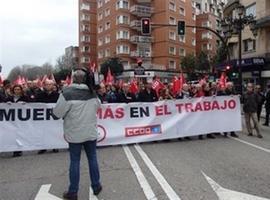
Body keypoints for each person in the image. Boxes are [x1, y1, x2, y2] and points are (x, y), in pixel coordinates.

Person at [53, 69, 102, 200]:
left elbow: (57, 113)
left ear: (73, 79)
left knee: (75, 161)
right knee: (92, 158)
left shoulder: (67, 93)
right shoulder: (92, 92)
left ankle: (73, 192)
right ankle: (96, 185)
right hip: (90, 132)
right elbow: (99, 106)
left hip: (74, 133)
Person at [6, 85, 30, 157]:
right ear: (13, 90)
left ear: (21, 90)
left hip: (21, 120)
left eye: (18, 89)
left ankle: (18, 149)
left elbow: (32, 104)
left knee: (19, 134)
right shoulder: (9, 98)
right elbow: (3, 104)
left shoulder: (25, 98)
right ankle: (14, 148)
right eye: (15, 89)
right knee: (13, 134)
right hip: (12, 120)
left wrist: (25, 104)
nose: (17, 91)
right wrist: (7, 104)